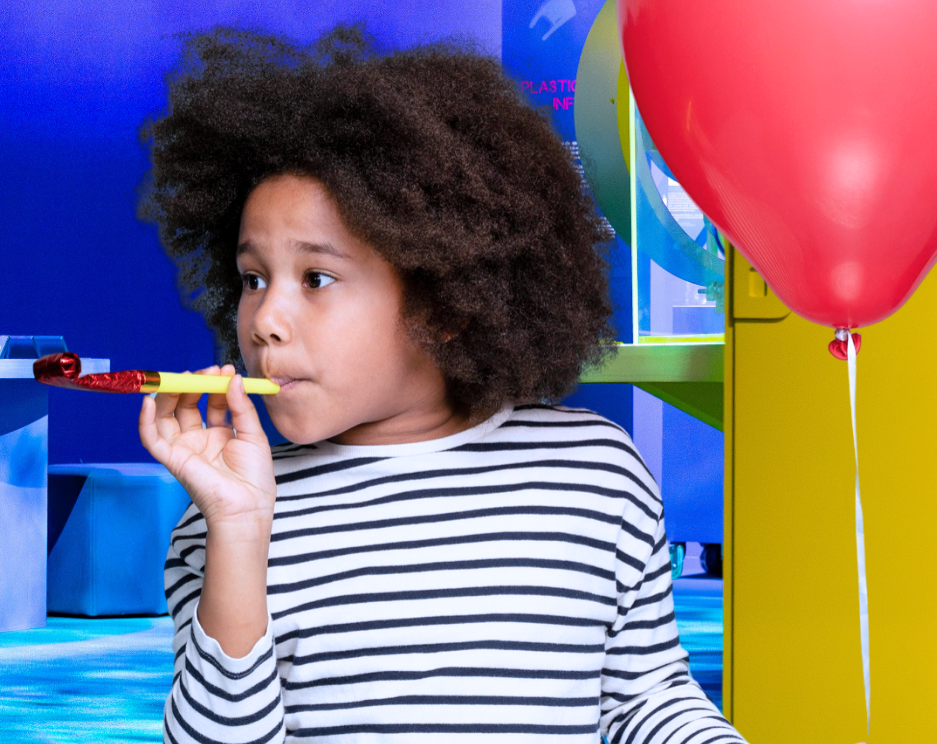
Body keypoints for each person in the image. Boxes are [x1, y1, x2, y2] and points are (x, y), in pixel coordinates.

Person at [136, 25, 743, 743]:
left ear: (448, 302)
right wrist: (237, 531)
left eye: (317, 278)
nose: (265, 319)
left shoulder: (596, 474)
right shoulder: (224, 528)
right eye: (252, 279)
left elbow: (646, 700)